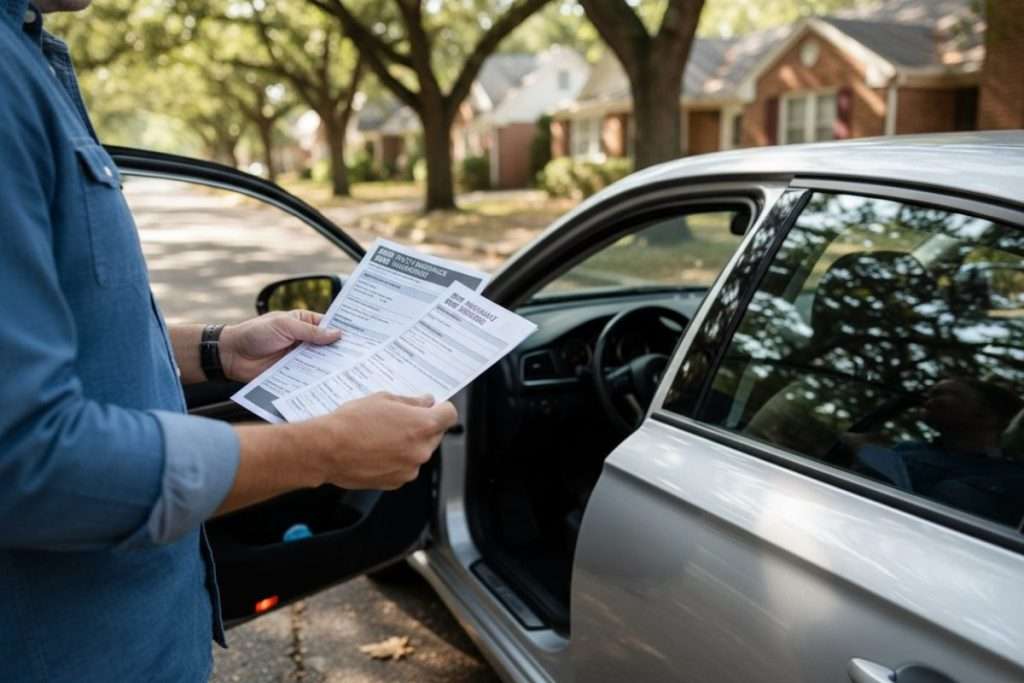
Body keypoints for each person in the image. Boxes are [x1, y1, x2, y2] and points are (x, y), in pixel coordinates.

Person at [0, 2, 458, 681]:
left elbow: (63, 330)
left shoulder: (28, 55)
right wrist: (326, 448)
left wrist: (218, 350)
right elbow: (27, 460)